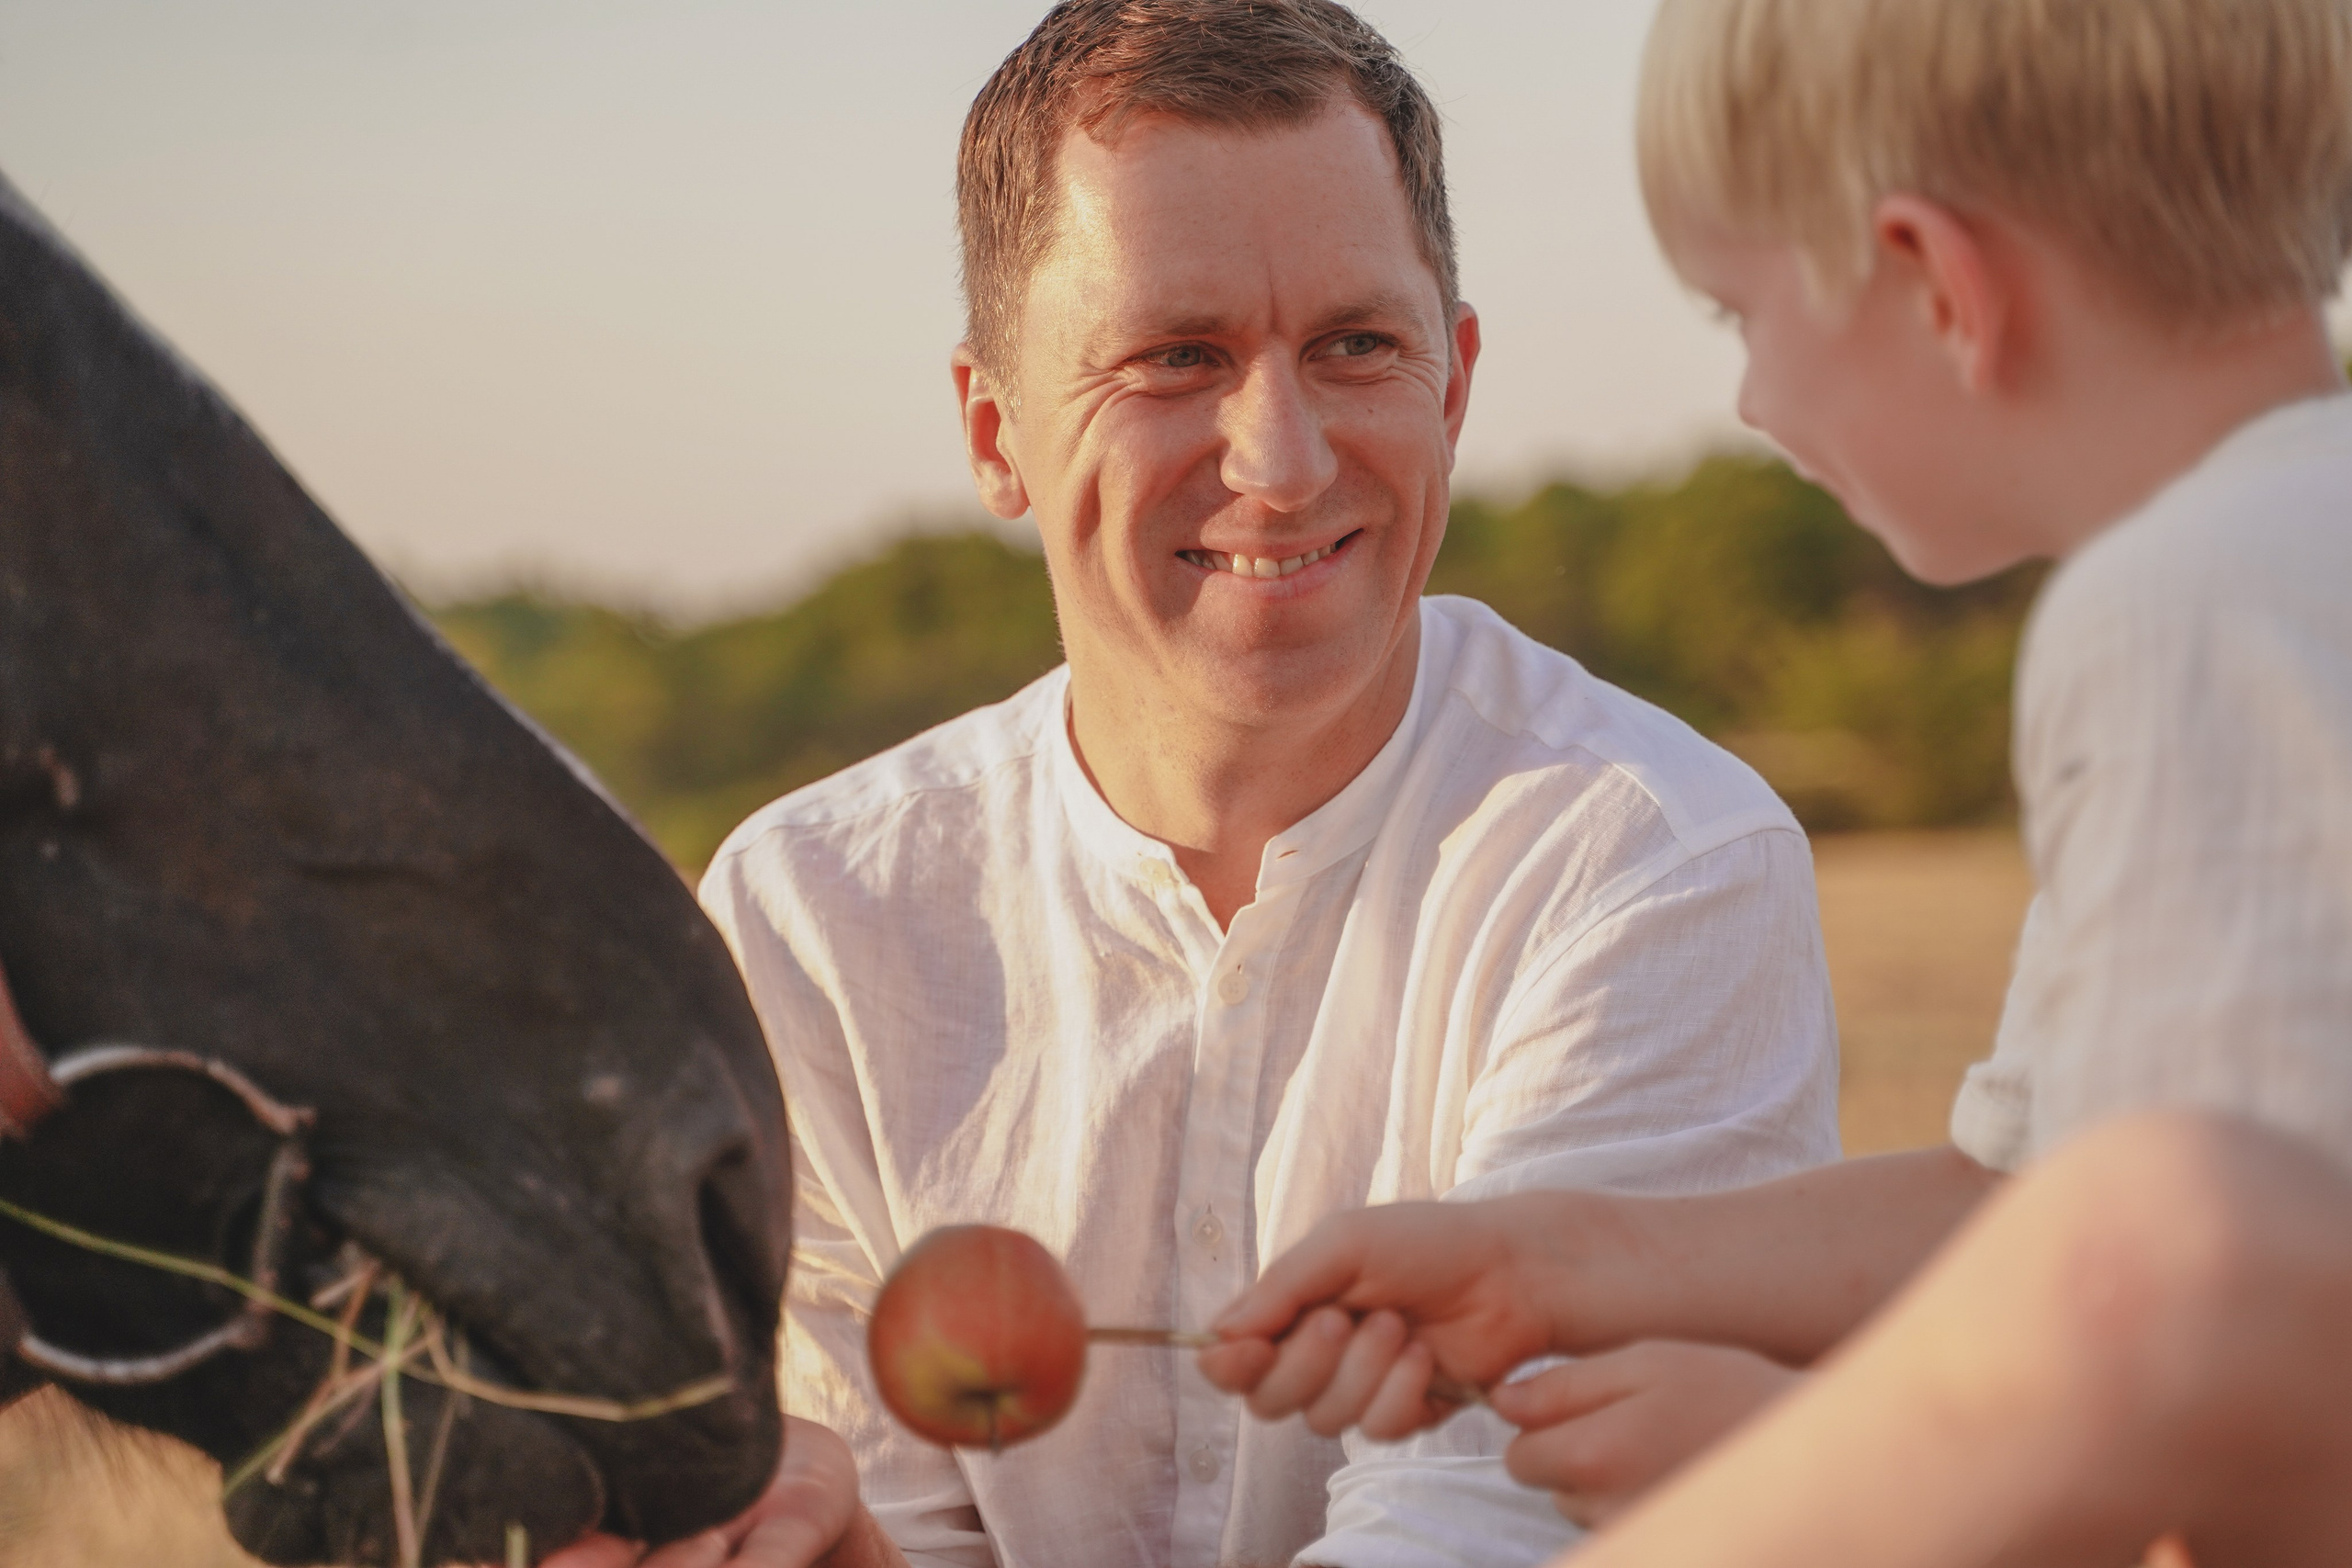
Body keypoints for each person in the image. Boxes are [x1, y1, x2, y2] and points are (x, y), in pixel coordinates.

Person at [550, 3, 1843, 1565]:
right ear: (994, 429)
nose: (1281, 458)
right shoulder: (810, 921)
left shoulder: (1653, 859)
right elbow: (901, 1514)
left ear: (1455, 380)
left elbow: (1481, 1535)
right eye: (1176, 357)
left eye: (1357, 345)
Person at [1200, 0, 2352, 1560]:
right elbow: (2026, 1204)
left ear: (1938, 282)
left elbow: (2199, 1322)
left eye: (1741, 316)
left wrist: (1812, 1467)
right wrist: (1547, 1261)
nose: (1748, 403)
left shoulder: (2190, 605)